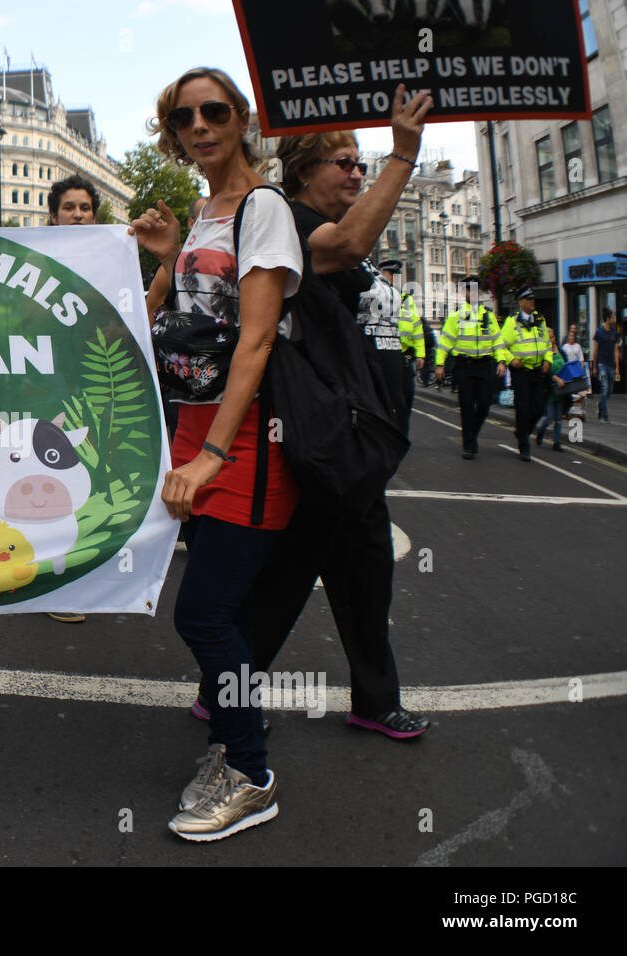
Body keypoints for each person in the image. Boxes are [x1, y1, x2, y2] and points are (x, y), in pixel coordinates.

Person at [227, 86, 433, 745]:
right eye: (342, 161)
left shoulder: (358, 241)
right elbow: (342, 247)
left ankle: (369, 698)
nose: (355, 171)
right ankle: (226, 689)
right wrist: (403, 153)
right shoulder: (290, 222)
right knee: (298, 573)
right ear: (303, 170)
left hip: (360, 443)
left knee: (359, 571)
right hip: (327, 442)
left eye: (359, 162)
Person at [133, 67, 303, 841]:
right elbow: (170, 316)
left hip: (245, 438)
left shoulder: (263, 208)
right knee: (216, 613)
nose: (199, 125)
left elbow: (258, 338)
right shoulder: (206, 210)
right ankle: (230, 746)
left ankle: (250, 771)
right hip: (192, 426)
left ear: (241, 119)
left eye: (214, 111)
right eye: (183, 117)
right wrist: (170, 254)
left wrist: (214, 455)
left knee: (205, 614)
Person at [42, 173, 102, 625]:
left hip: (92, 388)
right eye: (70, 208)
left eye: (85, 208)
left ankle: (74, 573)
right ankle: (48, 578)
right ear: (54, 215)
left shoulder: (110, 258)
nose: (78, 214)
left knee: (87, 479)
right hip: (44, 387)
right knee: (45, 480)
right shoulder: (35, 261)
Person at [435, 277, 508, 458]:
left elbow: (497, 340)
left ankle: (471, 433)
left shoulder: (488, 315)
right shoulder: (456, 315)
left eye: (476, 291)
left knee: (484, 404)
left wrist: (501, 361)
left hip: (484, 365)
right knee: (466, 405)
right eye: (469, 290)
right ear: (465, 293)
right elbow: (445, 341)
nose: (473, 294)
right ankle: (469, 444)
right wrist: (439, 364)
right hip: (464, 366)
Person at [500, 288, 554, 461]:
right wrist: (510, 360)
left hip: (537, 371)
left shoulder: (540, 320)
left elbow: (547, 344)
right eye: (528, 299)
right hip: (520, 372)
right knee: (522, 409)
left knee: (538, 409)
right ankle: (524, 445)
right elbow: (501, 346)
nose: (533, 302)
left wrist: (547, 360)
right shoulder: (512, 322)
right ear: (521, 302)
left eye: (533, 299)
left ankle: (521, 432)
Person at [381, 258, 424, 435]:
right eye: (391, 274)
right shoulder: (376, 296)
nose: (395, 278)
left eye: (397, 274)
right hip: (385, 355)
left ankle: (401, 434)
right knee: (386, 399)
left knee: (406, 398)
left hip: (404, 357)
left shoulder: (407, 300)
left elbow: (417, 327)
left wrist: (420, 353)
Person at [534, 326, 568, 453]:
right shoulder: (543, 354)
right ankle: (541, 432)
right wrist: (556, 379)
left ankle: (556, 442)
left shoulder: (561, 351)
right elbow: (545, 373)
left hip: (561, 389)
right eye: (549, 337)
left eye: (552, 337)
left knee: (558, 418)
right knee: (550, 418)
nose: (551, 339)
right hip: (550, 390)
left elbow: (567, 366)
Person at [593, 307, 621, 422]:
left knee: (609, 391)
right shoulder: (599, 332)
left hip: (611, 365)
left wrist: (618, 367)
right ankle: (604, 415)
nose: (614, 320)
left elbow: (616, 350)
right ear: (608, 319)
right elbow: (595, 350)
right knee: (604, 389)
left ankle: (600, 404)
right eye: (613, 318)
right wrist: (594, 366)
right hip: (602, 364)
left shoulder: (614, 333)